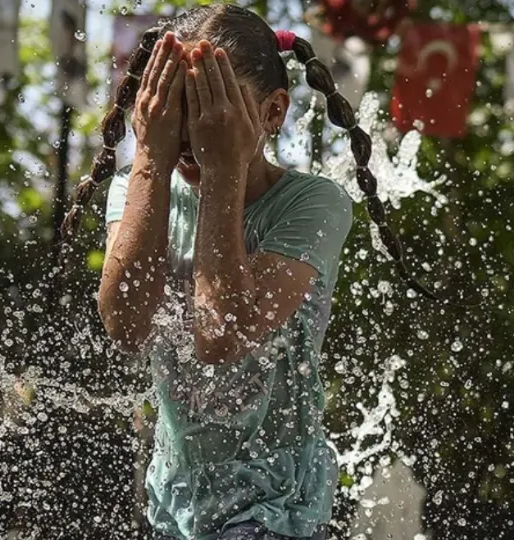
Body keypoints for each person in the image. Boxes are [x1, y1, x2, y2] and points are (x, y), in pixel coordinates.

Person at [62, 5, 428, 540]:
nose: (194, 129)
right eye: (180, 107)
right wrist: (149, 159)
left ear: (273, 111)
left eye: (217, 108)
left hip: (276, 509)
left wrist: (223, 170)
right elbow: (125, 323)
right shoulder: (140, 188)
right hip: (174, 504)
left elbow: (220, 335)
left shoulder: (313, 204)